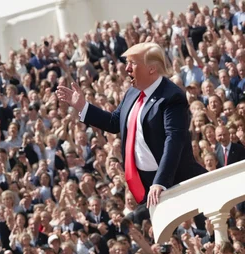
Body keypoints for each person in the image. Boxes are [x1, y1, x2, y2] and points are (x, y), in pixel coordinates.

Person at [56, 42, 206, 208]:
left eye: (132, 63)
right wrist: (83, 107)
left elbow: (174, 140)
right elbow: (114, 122)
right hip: (146, 186)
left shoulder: (171, 97)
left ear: (152, 69)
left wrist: (160, 181)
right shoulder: (133, 91)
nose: (127, 68)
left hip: (174, 180)